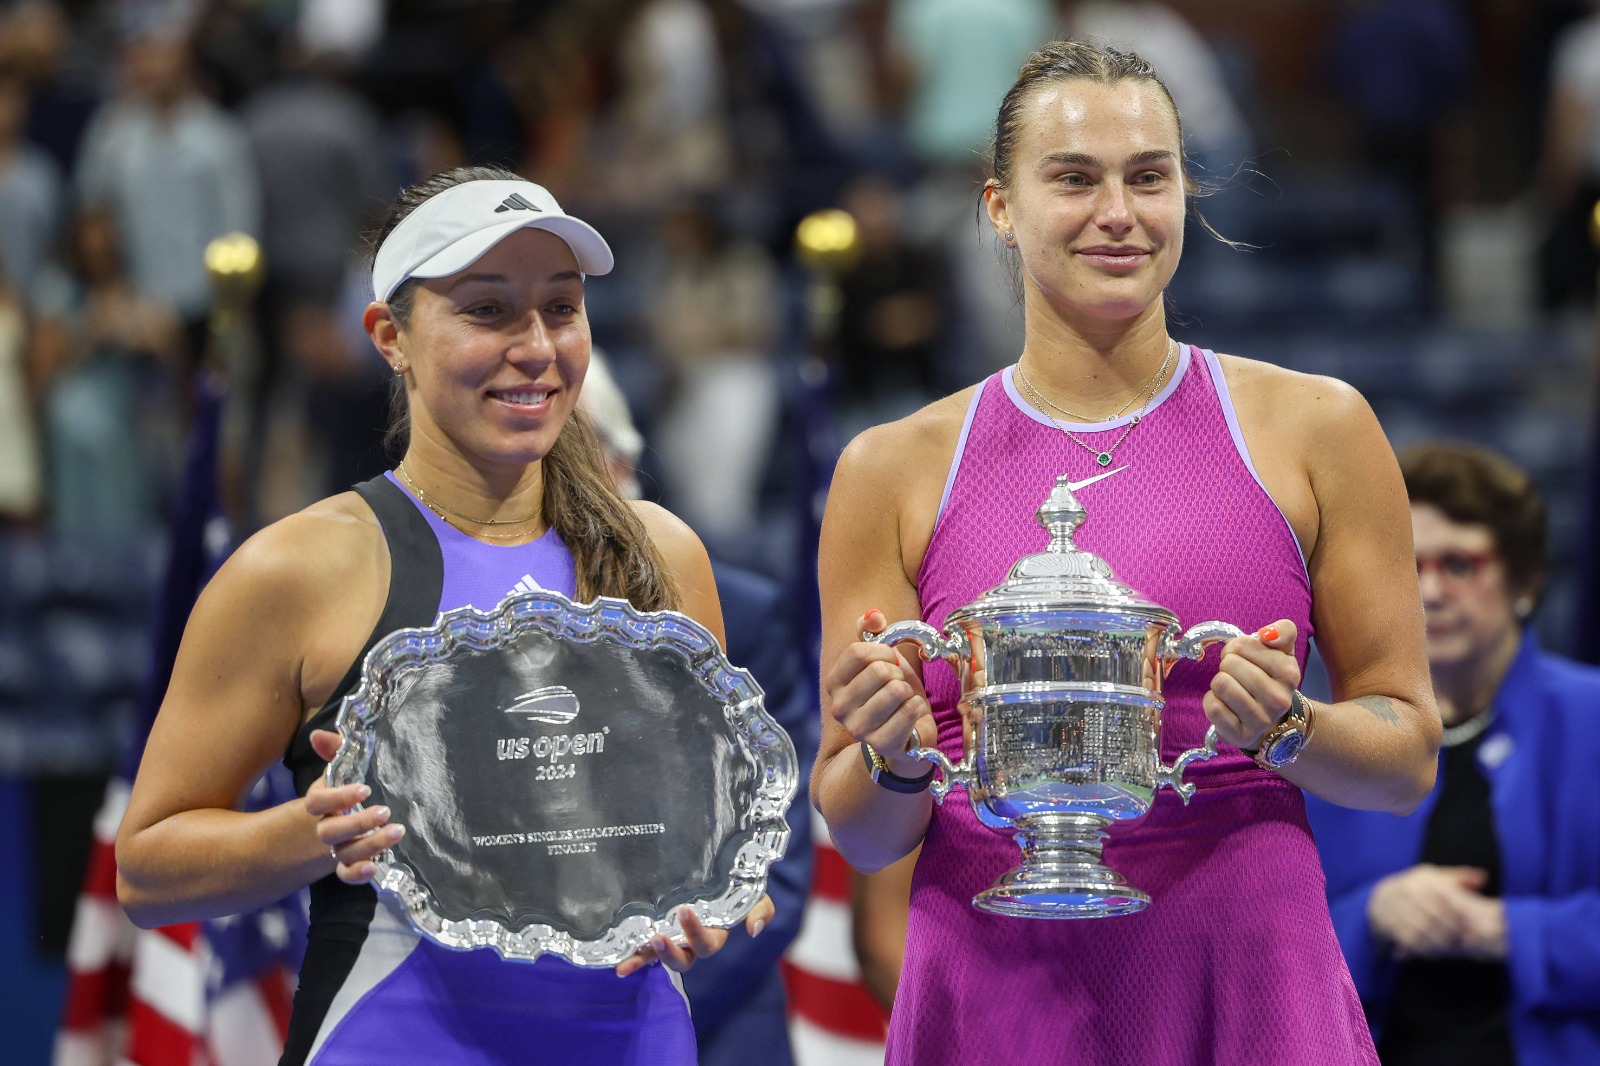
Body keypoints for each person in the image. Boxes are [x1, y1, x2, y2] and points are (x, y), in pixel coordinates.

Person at [812, 39, 1441, 1065]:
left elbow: (1406, 757)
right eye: (1073, 178)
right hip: (995, 985)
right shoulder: (888, 468)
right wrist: (887, 753)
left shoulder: (1319, 427)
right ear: (998, 209)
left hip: (1243, 978)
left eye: (1149, 176)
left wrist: (1289, 725)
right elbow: (867, 833)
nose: (1118, 212)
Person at [112, 165, 772, 1066]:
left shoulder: (663, 555)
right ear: (391, 337)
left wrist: (720, 901)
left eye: (561, 307)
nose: (536, 346)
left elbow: (704, 838)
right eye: (488, 311)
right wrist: (308, 833)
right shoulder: (296, 570)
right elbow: (145, 868)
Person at [1307, 442, 1600, 1065]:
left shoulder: (1589, 719)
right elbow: (1276, 948)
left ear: (1526, 579)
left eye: (1460, 565)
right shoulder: (1333, 740)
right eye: (1409, 567)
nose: (1430, 592)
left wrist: (1504, 932)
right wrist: (1374, 917)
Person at [579, 347, 818, 1066]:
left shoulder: (739, 615)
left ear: (624, 471)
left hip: (716, 1020)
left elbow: (772, 860)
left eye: (577, 462)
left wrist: (629, 1005)